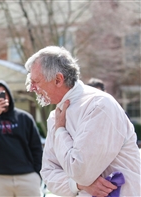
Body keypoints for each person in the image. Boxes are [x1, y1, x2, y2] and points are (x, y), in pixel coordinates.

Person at [24, 46, 141, 197]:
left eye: (36, 81)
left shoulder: (99, 105)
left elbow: (81, 172)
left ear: (58, 80)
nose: (32, 88)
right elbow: (48, 172)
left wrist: (60, 130)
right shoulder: (55, 116)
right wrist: (78, 185)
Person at [0, 80, 43, 197]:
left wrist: (37, 174)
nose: (1, 97)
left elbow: (36, 148)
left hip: (27, 176)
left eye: (4, 93)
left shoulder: (24, 117)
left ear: (9, 95)